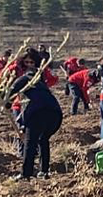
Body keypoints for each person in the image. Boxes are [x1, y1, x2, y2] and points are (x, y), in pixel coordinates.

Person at [8, 48, 64, 180]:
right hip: (55, 113)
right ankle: (44, 171)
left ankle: (26, 174)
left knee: (30, 142)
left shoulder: (27, 78)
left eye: (31, 62)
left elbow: (11, 91)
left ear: (36, 63)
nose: (29, 65)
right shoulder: (41, 81)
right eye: (26, 62)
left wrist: (5, 103)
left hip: (40, 113)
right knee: (43, 140)